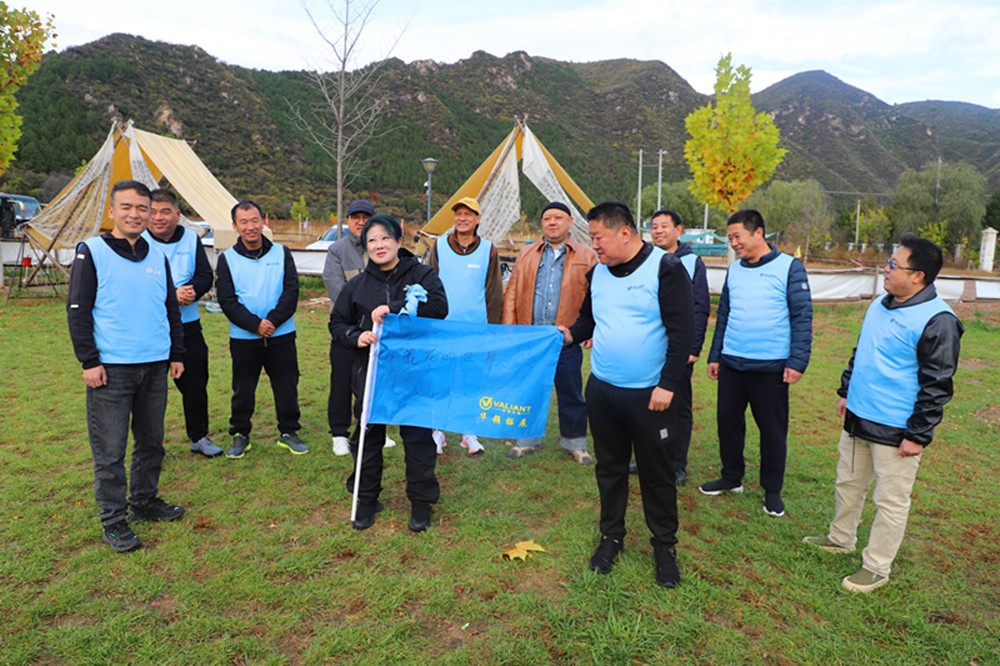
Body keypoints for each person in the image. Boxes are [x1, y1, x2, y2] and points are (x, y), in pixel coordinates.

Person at [804, 235, 962, 592]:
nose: (886, 269)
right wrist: (847, 391)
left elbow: (937, 385)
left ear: (918, 276)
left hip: (896, 429)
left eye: (894, 265)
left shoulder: (939, 321)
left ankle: (876, 567)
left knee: (890, 501)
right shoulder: (879, 303)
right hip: (858, 416)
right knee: (848, 483)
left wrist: (917, 435)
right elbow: (863, 351)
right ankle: (840, 537)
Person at [562, 201, 693, 588]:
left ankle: (664, 547)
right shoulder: (599, 273)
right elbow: (589, 319)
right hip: (603, 391)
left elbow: (683, 332)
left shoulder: (666, 268)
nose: (594, 245)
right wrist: (568, 334)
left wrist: (667, 385)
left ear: (624, 232)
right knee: (610, 468)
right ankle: (612, 537)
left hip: (650, 395)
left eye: (598, 237)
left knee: (657, 474)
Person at [67, 180, 186, 552]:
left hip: (155, 365)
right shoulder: (92, 252)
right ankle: (113, 520)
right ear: (112, 211)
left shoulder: (157, 256)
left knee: (151, 442)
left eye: (142, 208)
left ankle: (144, 501)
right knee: (110, 451)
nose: (135, 214)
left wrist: (177, 353)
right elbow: (78, 310)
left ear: (150, 213)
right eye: (127, 207)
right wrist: (89, 360)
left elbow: (170, 309)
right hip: (111, 369)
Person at [329, 214, 449, 531]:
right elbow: (337, 323)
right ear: (365, 247)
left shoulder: (422, 275)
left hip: (415, 372)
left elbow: (439, 309)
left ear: (398, 240)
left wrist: (394, 308)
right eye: (371, 240)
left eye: (385, 238)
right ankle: (366, 498)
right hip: (371, 374)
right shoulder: (356, 286)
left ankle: (421, 502)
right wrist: (356, 336)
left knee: (418, 439)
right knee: (368, 438)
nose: (379, 245)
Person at [700, 209, 812, 518]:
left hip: (771, 367)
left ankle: (772, 489)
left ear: (758, 233)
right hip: (732, 363)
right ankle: (731, 476)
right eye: (730, 237)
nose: (733, 243)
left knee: (772, 430)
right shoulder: (735, 270)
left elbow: (802, 316)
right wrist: (715, 354)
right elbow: (724, 314)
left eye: (737, 236)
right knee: (728, 423)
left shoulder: (789, 267)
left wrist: (797, 361)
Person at [502, 201, 597, 465]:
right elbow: (512, 292)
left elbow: (593, 297)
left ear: (569, 222)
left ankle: (575, 443)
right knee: (529, 389)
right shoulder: (527, 253)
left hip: (565, 337)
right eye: (547, 218)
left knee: (571, 391)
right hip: (531, 337)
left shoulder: (586, 256)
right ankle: (526, 439)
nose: (552, 222)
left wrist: (588, 331)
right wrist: (510, 330)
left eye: (558, 217)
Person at [216, 200, 308, 458]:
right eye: (243, 222)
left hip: (281, 335)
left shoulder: (281, 253)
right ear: (235, 226)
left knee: (287, 385)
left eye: (254, 220)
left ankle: (289, 431)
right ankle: (240, 434)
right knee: (243, 389)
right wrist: (255, 324)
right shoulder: (227, 259)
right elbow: (227, 300)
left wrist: (273, 322)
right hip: (244, 338)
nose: (250, 227)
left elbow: (291, 290)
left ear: (263, 222)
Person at [143, 189, 221, 457]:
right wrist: (171, 295)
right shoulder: (138, 240)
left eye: (165, 211)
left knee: (196, 384)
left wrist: (193, 291)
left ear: (177, 215)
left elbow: (205, 275)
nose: (158, 217)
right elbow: (136, 284)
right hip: (151, 328)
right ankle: (150, 447)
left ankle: (199, 437)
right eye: (153, 212)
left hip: (187, 327)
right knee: (149, 392)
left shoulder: (190, 238)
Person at [427, 196, 503, 455]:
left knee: (471, 381)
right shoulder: (439, 246)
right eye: (458, 214)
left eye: (468, 214)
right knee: (441, 380)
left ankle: (468, 432)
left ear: (477, 219)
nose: (462, 218)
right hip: (443, 328)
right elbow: (429, 283)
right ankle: (437, 430)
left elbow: (494, 292)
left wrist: (493, 330)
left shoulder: (489, 250)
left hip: (475, 329)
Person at [322, 199, 394, 456]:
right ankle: (339, 434)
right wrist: (361, 323)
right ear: (348, 220)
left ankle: (370, 429)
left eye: (366, 218)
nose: (361, 222)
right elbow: (336, 288)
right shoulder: (337, 250)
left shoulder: (380, 249)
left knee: (372, 382)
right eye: (356, 218)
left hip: (377, 332)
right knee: (341, 382)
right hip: (346, 330)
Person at [648, 210, 710, 485]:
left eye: (664, 226)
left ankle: (676, 464)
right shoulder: (647, 259)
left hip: (679, 350)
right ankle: (650, 457)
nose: (658, 231)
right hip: (650, 348)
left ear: (678, 230)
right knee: (649, 404)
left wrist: (693, 348)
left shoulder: (692, 262)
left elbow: (700, 307)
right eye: (654, 226)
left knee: (678, 407)